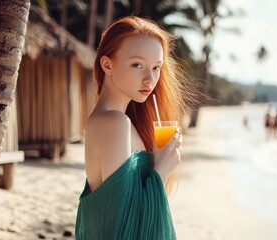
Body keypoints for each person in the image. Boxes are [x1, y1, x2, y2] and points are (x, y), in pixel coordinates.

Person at [75, 16, 193, 240]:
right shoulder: (115, 123)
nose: (150, 79)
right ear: (107, 64)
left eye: (156, 67)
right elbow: (127, 230)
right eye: (137, 65)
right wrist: (162, 170)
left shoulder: (120, 121)